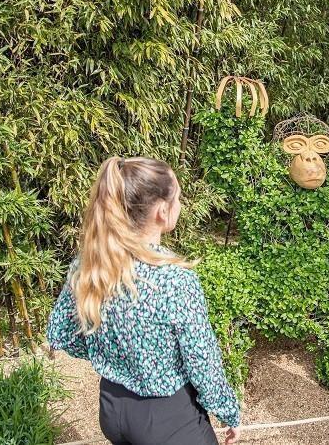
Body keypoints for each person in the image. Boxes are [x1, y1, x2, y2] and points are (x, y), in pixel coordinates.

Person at [47, 156, 241, 445]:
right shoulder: (174, 279)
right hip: (166, 420)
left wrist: (114, 357)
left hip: (112, 410)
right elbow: (202, 360)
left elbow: (61, 333)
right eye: (178, 197)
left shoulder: (91, 264)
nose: (181, 204)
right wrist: (228, 412)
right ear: (163, 211)